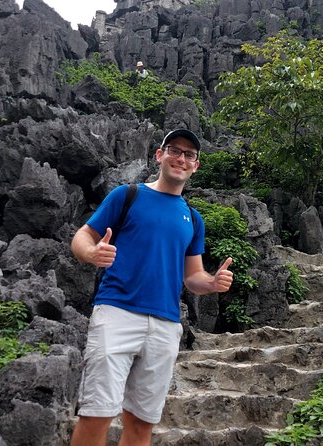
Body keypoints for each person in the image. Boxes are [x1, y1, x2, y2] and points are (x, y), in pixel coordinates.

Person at [69, 129, 233, 446]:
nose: (181, 158)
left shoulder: (193, 218)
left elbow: (192, 277)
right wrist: (92, 253)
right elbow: (82, 237)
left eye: (189, 155)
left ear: (196, 165)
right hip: (116, 314)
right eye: (174, 150)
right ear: (159, 155)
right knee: (96, 413)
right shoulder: (126, 195)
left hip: (165, 325)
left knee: (142, 424)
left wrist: (212, 283)